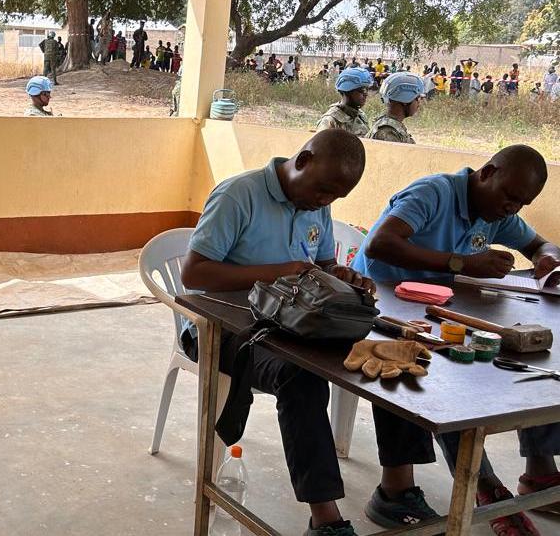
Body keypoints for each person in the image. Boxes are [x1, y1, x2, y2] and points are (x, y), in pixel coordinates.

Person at [181, 130, 440, 536]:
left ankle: (397, 490)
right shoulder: (238, 195)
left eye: (335, 196)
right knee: (300, 376)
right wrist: (281, 271)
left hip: (294, 321)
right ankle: (326, 519)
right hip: (225, 325)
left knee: (392, 353)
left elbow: (320, 266)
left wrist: (342, 277)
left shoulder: (316, 201)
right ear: (302, 161)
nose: (325, 201)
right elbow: (194, 274)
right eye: (322, 191)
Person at [352, 144, 560, 535]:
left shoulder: (496, 211)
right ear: (487, 172)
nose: (512, 208)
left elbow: (539, 244)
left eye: (522, 203)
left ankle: (540, 470)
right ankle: (415, 489)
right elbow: (379, 243)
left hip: (440, 308)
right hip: (383, 303)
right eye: (510, 197)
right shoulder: (433, 193)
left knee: (531, 349)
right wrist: (461, 263)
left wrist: (547, 257)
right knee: (425, 368)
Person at [368, 72, 426, 144]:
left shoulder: (392, 125)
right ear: (405, 99)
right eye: (418, 98)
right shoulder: (387, 132)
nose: (419, 103)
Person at [315, 68, 372, 136]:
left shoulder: (361, 115)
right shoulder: (330, 120)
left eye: (367, 89)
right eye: (362, 90)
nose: (366, 94)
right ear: (348, 91)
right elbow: (321, 142)